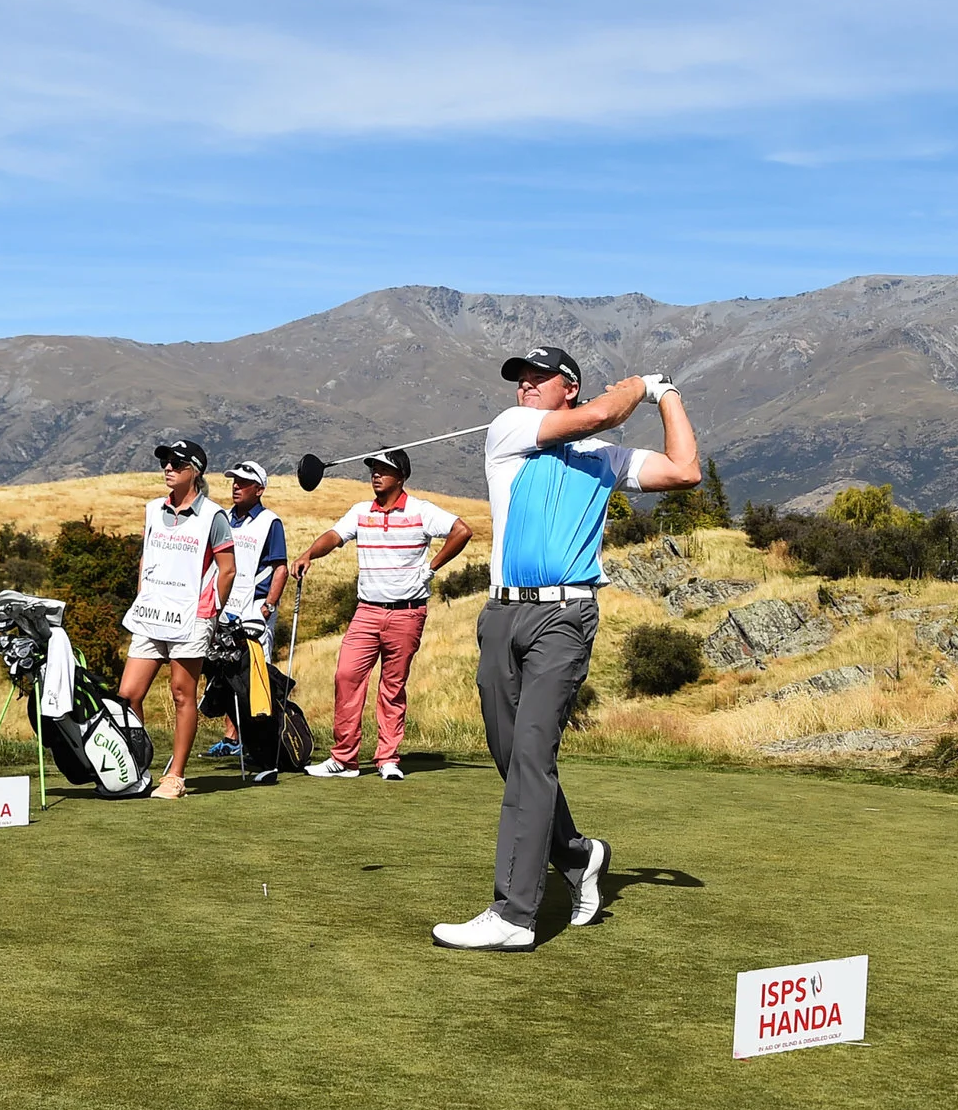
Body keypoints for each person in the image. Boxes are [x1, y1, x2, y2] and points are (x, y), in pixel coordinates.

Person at [431, 346, 703, 951]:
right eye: (519, 378)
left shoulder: (604, 460)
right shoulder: (511, 432)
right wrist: (637, 385)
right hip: (502, 614)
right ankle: (578, 857)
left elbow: (686, 472)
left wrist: (666, 395)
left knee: (531, 753)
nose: (524, 386)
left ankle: (514, 914)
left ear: (569, 385)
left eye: (537, 377)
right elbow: (600, 415)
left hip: (565, 615)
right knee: (510, 757)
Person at [288, 450, 471, 782]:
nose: (376, 474)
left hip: (407, 613)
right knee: (346, 677)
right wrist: (308, 554)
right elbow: (334, 536)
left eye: (384, 470)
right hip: (367, 612)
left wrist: (431, 568)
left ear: (400, 477)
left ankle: (388, 758)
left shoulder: (420, 510)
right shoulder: (361, 512)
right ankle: (344, 758)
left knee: (392, 686)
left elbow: (462, 531)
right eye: (373, 469)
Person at [119, 438, 240, 800]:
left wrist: (212, 608)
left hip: (191, 617)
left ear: (195, 472)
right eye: (165, 462)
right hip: (151, 614)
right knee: (128, 695)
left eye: (176, 463)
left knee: (181, 693)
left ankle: (176, 775)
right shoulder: (154, 509)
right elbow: (147, 556)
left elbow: (228, 569)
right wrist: (143, 594)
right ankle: (136, 765)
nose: (168, 468)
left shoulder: (213, 516)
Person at [205, 461, 289, 758]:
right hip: (225, 606)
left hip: (255, 608)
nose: (236, 486)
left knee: (255, 675)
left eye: (243, 482)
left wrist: (267, 607)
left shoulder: (270, 522)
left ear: (259, 489)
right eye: (234, 481)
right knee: (226, 673)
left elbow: (280, 568)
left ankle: (260, 741)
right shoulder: (224, 518)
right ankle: (232, 738)